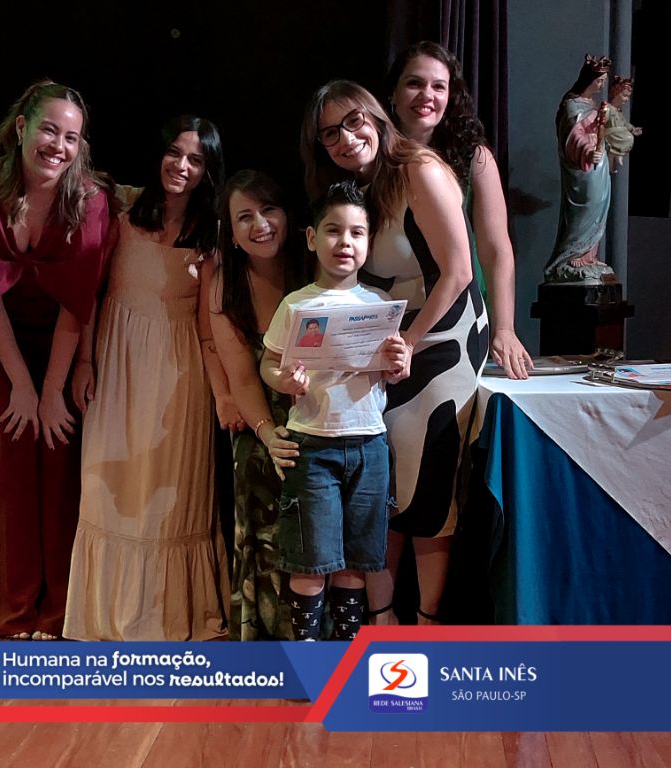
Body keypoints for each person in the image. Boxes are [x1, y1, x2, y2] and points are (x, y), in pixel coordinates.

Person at [300, 80, 489, 626]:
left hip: (443, 341)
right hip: (388, 349)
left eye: (353, 121)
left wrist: (409, 342)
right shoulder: (358, 187)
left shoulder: (419, 170)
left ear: (375, 116)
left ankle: (427, 624)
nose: (345, 138)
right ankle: (382, 620)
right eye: (330, 133)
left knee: (426, 491)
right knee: (383, 489)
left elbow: (458, 272)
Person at [63, 116, 229, 641]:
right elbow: (89, 292)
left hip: (180, 370)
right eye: (175, 153)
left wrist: (222, 391)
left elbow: (208, 324)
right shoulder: (121, 208)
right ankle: (106, 613)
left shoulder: (212, 231)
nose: (181, 166)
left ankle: (165, 614)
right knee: (109, 485)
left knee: (170, 495)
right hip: (116, 359)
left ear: (208, 170)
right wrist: (84, 361)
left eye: (196, 159)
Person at [0, 81, 115, 640]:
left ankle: (60, 608)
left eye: (71, 137)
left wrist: (51, 389)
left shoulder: (90, 198)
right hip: (2, 336)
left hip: (61, 337)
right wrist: (21, 387)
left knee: (58, 451)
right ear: (22, 127)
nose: (59, 146)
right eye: (49, 130)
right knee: (15, 452)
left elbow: (77, 300)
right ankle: (15, 607)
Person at [261, 181, 411, 640]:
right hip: (313, 447)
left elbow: (392, 372)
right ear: (311, 238)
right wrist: (282, 380)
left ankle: (346, 651)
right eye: (333, 230)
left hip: (369, 446)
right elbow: (268, 362)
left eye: (356, 233)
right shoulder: (297, 304)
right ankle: (308, 658)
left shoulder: (380, 305)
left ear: (369, 242)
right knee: (310, 562)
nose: (345, 242)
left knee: (356, 563)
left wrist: (399, 364)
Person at [385, 41, 532, 379]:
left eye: (439, 86)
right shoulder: (374, 157)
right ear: (393, 93)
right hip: (390, 325)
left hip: (456, 320)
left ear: (451, 97)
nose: (427, 95)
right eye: (414, 83)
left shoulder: (474, 157)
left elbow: (496, 250)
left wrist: (504, 329)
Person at [208, 170, 310, 640]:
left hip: (320, 413)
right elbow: (243, 378)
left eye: (268, 210)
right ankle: (272, 636)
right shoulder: (225, 287)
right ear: (231, 234)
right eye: (245, 217)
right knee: (254, 462)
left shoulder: (315, 270)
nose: (261, 224)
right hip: (261, 420)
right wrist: (269, 435)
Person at [545, 54, 616, 283]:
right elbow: (573, 136)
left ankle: (588, 257)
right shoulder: (571, 106)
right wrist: (587, 151)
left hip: (599, 167)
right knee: (585, 209)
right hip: (584, 169)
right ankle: (570, 258)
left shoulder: (591, 105)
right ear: (589, 79)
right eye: (599, 80)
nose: (601, 85)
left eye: (604, 81)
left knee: (599, 211)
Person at [605, 76, 642, 173]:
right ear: (616, 93)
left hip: (617, 133)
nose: (627, 99)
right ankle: (614, 158)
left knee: (627, 138)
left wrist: (632, 129)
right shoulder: (608, 109)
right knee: (627, 138)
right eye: (625, 96)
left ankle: (616, 158)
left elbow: (625, 123)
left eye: (628, 97)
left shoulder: (618, 111)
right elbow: (601, 122)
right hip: (611, 134)